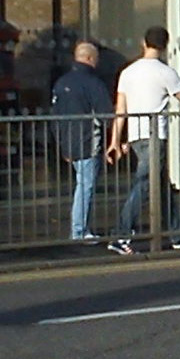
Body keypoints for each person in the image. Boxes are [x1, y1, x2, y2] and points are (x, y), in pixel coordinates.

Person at [105, 26, 180, 254]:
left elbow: (120, 110)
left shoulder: (128, 72)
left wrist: (115, 141)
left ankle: (178, 232)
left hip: (136, 137)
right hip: (155, 137)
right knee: (144, 185)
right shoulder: (166, 73)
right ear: (165, 46)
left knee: (160, 186)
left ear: (143, 43)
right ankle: (121, 235)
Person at [49, 39, 115, 242]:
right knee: (85, 186)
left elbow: (55, 116)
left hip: (69, 141)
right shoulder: (93, 83)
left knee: (82, 183)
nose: (97, 62)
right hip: (88, 140)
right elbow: (106, 114)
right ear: (89, 58)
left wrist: (61, 144)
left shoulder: (62, 83)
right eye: (95, 59)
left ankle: (80, 228)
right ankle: (79, 230)